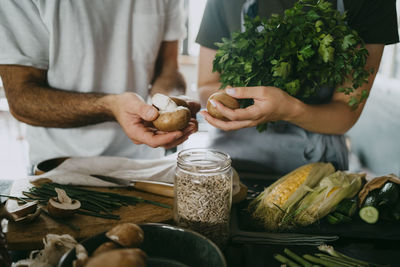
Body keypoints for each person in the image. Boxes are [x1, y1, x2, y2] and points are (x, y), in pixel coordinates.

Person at [196, 0, 399, 174]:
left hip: (316, 162)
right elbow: (207, 85)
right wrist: (233, 101)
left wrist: (290, 110)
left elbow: (347, 108)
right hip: (231, 157)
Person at [0, 0, 199, 168]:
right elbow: (21, 98)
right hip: (60, 165)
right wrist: (110, 107)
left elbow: (168, 69)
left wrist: (171, 103)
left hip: (144, 163)